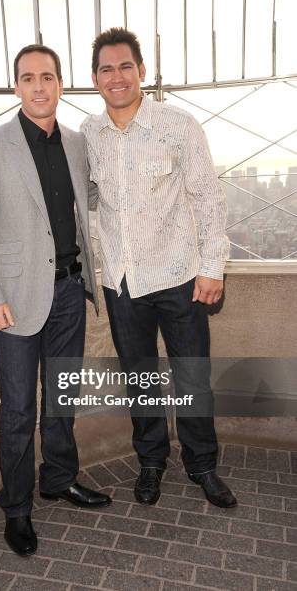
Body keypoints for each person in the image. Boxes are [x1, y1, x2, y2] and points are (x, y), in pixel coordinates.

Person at [0, 44, 111, 558]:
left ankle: (60, 479)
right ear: (17, 87)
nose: (39, 86)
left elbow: (86, 202)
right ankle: (17, 507)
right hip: (14, 302)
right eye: (28, 78)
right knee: (19, 410)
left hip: (69, 290)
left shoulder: (75, 143)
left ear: (62, 84)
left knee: (62, 397)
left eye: (48, 76)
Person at [81, 28, 236, 509]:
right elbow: (84, 201)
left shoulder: (178, 125)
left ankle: (203, 465)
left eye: (125, 66)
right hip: (122, 284)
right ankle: (151, 462)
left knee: (192, 377)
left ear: (142, 71)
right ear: (95, 79)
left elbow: (206, 196)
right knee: (140, 381)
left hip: (180, 276)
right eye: (106, 69)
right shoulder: (88, 135)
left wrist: (212, 267)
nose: (117, 76)